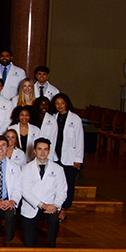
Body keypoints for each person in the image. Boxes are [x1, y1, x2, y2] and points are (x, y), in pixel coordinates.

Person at [20, 138, 67, 247]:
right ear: (35, 151)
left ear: (49, 151)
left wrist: (54, 205)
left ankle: (52, 246)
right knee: (29, 243)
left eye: (45, 149)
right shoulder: (26, 168)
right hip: (32, 207)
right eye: (40, 149)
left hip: (50, 206)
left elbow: (62, 191)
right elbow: (25, 192)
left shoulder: (58, 169)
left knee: (54, 220)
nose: (42, 152)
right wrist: (42, 205)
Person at [47, 93, 84, 221]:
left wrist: (78, 159)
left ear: (66, 103)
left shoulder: (75, 119)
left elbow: (79, 139)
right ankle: (55, 207)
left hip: (69, 157)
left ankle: (64, 209)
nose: (60, 106)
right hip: (55, 156)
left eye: (62, 103)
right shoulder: (53, 118)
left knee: (68, 183)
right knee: (55, 183)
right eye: (57, 103)